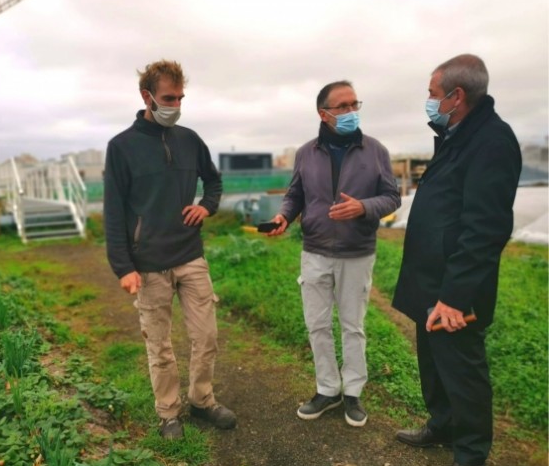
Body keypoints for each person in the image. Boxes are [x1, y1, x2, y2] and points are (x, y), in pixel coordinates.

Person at [392, 54, 521, 466]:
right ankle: (442, 426)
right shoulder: (456, 134)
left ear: (456, 96)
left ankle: (470, 455)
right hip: (430, 280)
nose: (428, 101)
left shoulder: (492, 141)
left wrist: (454, 295)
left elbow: (485, 229)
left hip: (454, 289)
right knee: (432, 362)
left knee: (462, 370)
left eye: (432, 94)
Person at [103, 59, 236, 440]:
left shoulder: (190, 139)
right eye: (167, 98)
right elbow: (113, 212)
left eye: (180, 98)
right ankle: (169, 412)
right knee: (159, 345)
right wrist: (122, 266)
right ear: (147, 96)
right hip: (147, 265)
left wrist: (206, 206)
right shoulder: (121, 148)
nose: (175, 105)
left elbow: (213, 181)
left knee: (206, 336)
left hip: (190, 255)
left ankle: (201, 400)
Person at [267, 80, 400, 427]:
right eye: (342, 106)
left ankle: (353, 392)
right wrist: (284, 215)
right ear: (323, 113)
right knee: (317, 325)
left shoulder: (375, 151)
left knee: (353, 326)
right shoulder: (306, 152)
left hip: (357, 253)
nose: (351, 111)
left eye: (355, 104)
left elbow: (392, 197)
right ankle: (327, 389)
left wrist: (364, 207)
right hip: (315, 251)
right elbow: (295, 194)